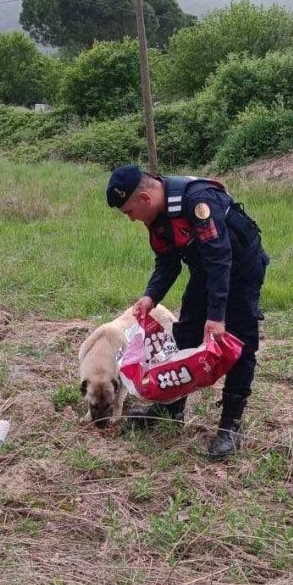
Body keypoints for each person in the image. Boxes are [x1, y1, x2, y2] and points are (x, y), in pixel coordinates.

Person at [106, 165, 269, 460]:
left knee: (239, 342)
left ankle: (231, 426)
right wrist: (150, 297)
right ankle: (172, 407)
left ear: (144, 197)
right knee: (187, 331)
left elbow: (221, 258)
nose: (131, 219)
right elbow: (167, 261)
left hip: (241, 268)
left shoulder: (197, 201)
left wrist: (217, 316)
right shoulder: (156, 217)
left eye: (130, 211)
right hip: (206, 270)